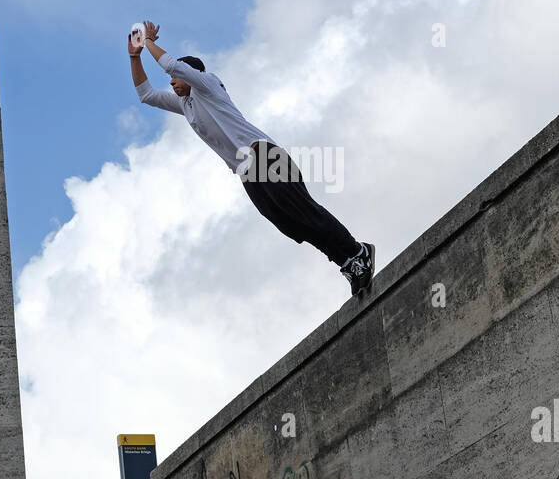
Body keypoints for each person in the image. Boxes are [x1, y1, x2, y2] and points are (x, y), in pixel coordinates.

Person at [129, 20, 375, 295]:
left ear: (191, 75)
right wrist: (134, 56)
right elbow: (147, 95)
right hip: (248, 173)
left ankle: (356, 251)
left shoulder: (207, 86)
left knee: (303, 210)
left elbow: (172, 65)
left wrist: (148, 42)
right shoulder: (186, 106)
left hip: (265, 156)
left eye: (175, 79)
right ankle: (348, 263)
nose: (172, 83)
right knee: (291, 224)